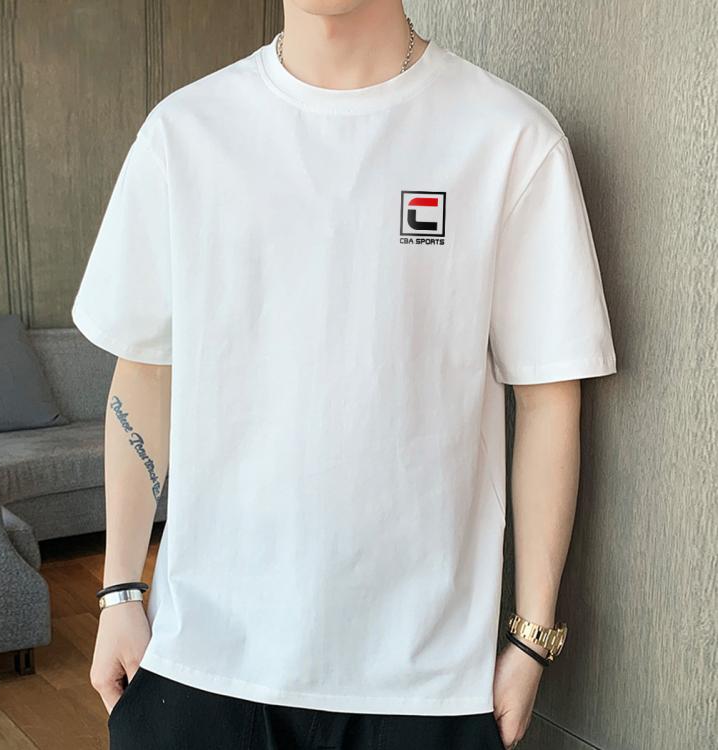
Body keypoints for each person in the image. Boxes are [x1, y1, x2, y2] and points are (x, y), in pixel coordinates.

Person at [71, 1, 617, 748]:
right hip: (200, 662)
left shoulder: (509, 139)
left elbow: (550, 396)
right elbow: (145, 370)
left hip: (424, 681)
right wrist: (118, 589)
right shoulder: (185, 134)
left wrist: (532, 638)